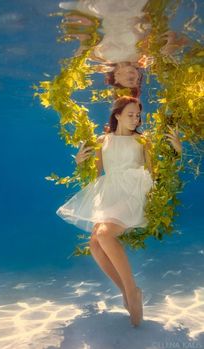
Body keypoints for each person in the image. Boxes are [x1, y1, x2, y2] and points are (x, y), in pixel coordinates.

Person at [56, 96, 182, 327]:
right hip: (110, 192)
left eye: (138, 115)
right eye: (130, 115)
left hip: (135, 190)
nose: (136, 119)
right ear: (117, 116)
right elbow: (95, 175)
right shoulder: (102, 140)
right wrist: (78, 162)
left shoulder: (143, 141)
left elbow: (154, 173)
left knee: (104, 234)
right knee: (95, 243)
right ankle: (127, 291)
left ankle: (132, 292)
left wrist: (176, 151)